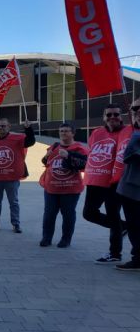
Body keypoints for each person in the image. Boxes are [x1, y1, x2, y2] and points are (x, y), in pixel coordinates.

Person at [82, 104, 127, 264]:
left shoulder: (126, 132)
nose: (112, 117)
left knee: (113, 215)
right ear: (104, 117)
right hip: (95, 180)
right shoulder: (96, 133)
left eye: (116, 114)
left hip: (114, 182)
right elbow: (92, 153)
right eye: (109, 115)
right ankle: (124, 226)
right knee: (88, 213)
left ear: (121, 117)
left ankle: (115, 253)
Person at [38, 123, 89, 248]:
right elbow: (46, 162)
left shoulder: (79, 148)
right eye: (61, 131)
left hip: (70, 189)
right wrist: (46, 156)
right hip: (51, 188)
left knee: (68, 215)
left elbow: (85, 165)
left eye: (66, 131)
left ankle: (66, 239)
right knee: (49, 214)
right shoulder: (54, 146)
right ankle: (46, 238)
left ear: (73, 133)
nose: (63, 133)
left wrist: (69, 156)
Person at [0, 118, 35, 233]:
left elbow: (30, 142)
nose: (1, 128)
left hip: (11, 177)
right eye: (0, 126)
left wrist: (28, 129)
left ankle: (16, 224)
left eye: (4, 126)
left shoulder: (17, 139)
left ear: (9, 127)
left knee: (14, 202)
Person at [115, 98, 140, 270]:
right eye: (134, 108)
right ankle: (137, 258)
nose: (136, 111)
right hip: (130, 188)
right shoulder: (133, 132)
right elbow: (128, 156)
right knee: (134, 226)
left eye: (139, 108)